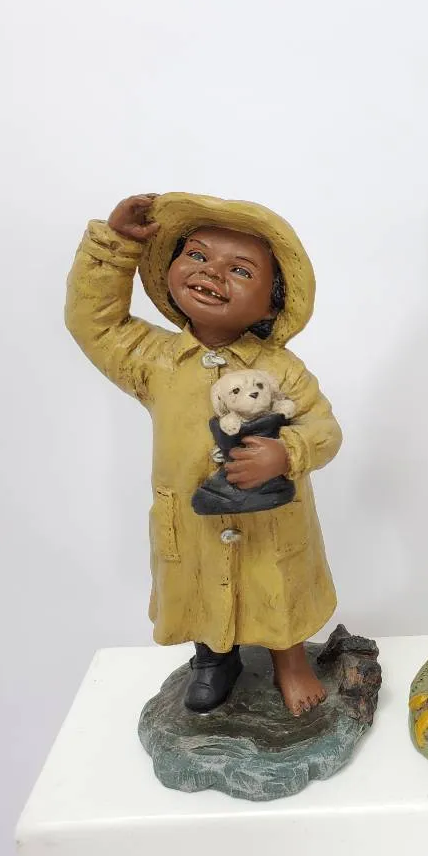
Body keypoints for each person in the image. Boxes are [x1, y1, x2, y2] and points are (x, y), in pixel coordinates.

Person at [66, 192, 341, 715]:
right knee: (196, 586)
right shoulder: (155, 360)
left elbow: (324, 428)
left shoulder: (282, 369)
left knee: (275, 586)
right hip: (191, 518)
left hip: (270, 519)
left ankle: (290, 661)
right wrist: (116, 244)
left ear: (272, 302)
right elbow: (94, 322)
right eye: (196, 255)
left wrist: (286, 453)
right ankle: (213, 659)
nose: (211, 273)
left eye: (240, 269)